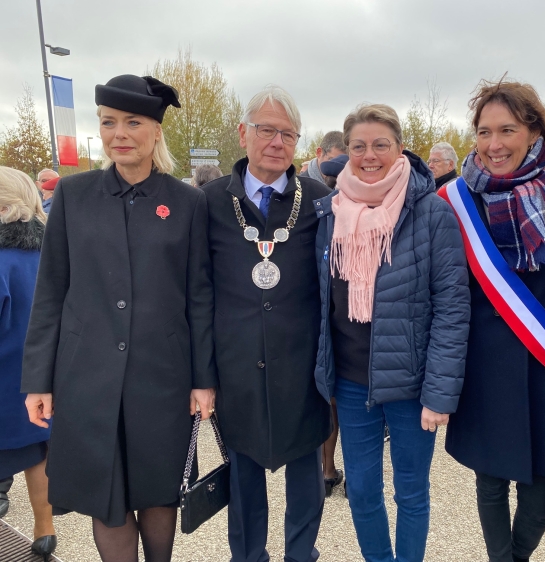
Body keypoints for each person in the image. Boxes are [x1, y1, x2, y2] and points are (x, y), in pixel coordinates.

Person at [21, 74, 217, 562]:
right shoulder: (72, 195)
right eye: (109, 123)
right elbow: (50, 291)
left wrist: (202, 379)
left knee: (156, 490)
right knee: (105, 498)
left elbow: (198, 298)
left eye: (133, 122)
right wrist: (38, 380)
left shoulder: (188, 203)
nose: (119, 133)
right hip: (87, 376)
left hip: (162, 376)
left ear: (156, 132)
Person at [314, 103, 470, 562]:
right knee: (361, 493)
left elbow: (451, 307)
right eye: (359, 146)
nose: (369, 155)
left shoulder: (431, 214)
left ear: (399, 149)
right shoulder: (329, 212)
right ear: (347, 151)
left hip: (411, 383)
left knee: (411, 493)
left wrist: (440, 392)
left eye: (380, 144)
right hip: (350, 381)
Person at [443, 80, 545, 562]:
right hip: (484, 360)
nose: (494, 144)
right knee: (490, 479)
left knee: (541, 492)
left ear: (534, 131)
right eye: (484, 132)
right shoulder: (457, 198)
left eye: (507, 130)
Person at [202, 85, 332, 562]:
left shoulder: (320, 200)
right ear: (243, 134)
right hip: (235, 366)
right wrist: (202, 373)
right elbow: (198, 292)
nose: (277, 142)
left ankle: (302, 554)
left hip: (302, 365)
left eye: (288, 134)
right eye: (266, 130)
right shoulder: (211, 201)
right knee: (243, 476)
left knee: (305, 477)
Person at [0, 166, 56, 560]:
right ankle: (45, 529)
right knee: (40, 451)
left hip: (3, 379)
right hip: (42, 375)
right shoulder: (48, 252)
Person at [316, 151, 349, 496]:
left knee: (332, 406)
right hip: (346, 329)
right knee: (351, 407)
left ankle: (327, 472)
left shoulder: (322, 212)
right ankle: (347, 474)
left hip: (329, 326)